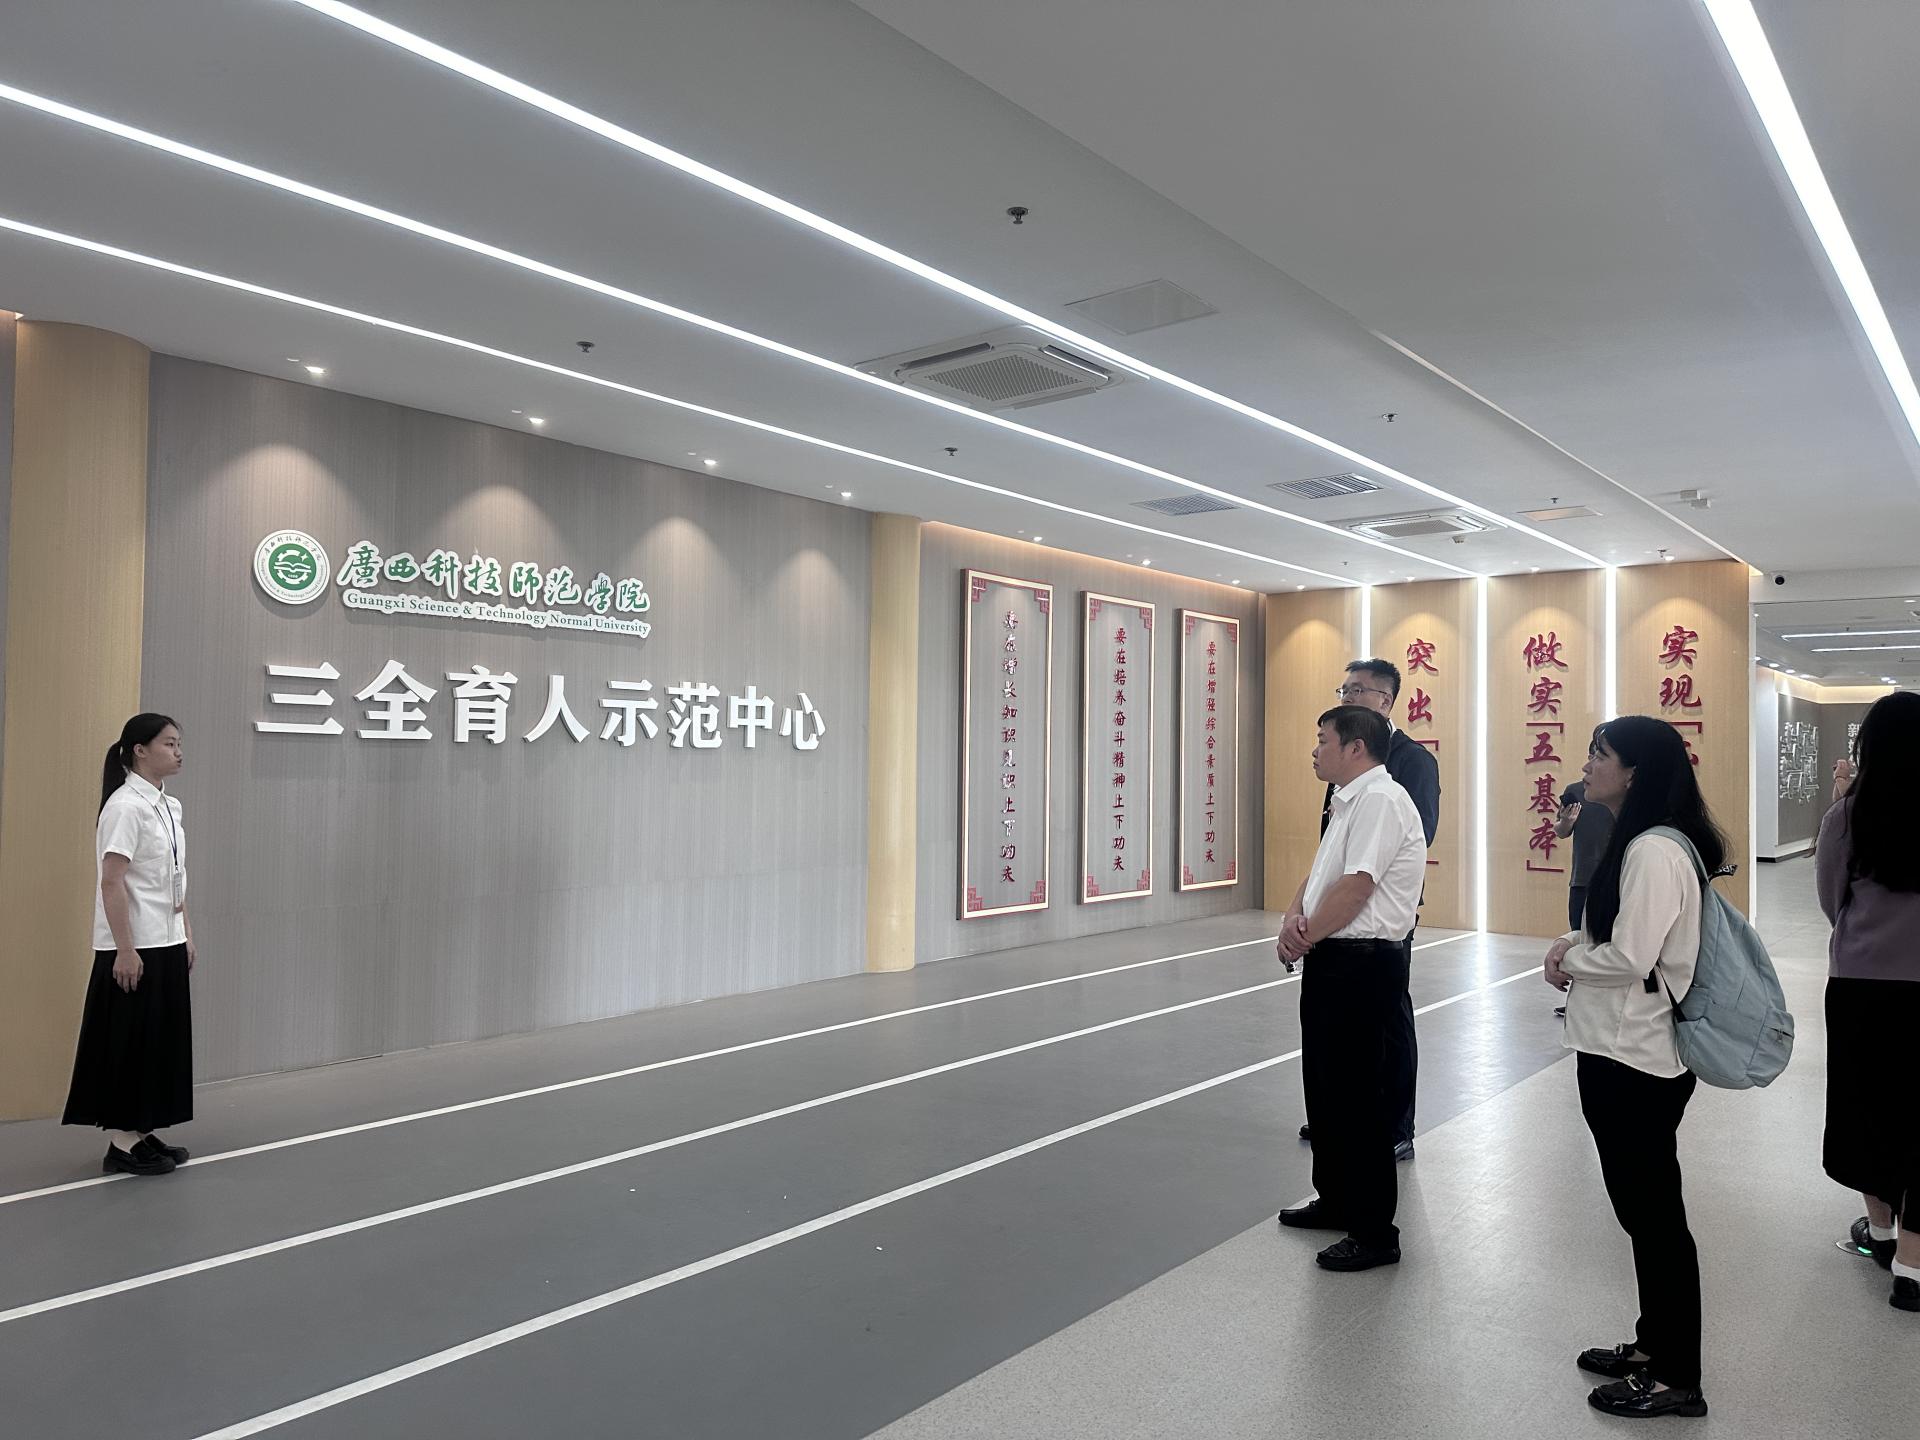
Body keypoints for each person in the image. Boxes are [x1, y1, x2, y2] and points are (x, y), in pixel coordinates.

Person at [1543, 716, 1722, 1419]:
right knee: (1643, 1214)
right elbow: (1615, 932)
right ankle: (1654, 1346)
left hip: (1635, 1058)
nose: (1587, 764)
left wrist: (1570, 959)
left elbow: (1629, 957)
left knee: (1654, 1220)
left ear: (1635, 772)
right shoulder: (1643, 840)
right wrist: (1571, 940)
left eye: (1600, 754)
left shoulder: (1653, 849)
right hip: (1619, 1050)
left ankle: (1677, 1377)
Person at [1276, 705, 1428, 1273]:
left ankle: (1374, 1231)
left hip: (1363, 965)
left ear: (1355, 747)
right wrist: (1294, 918)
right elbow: (1321, 875)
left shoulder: (1381, 800)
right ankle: (1337, 1200)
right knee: (1326, 1089)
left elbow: (1358, 886)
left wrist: (1304, 936)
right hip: (1334, 958)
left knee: (1361, 1098)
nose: (1315, 751)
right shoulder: (1347, 802)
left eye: (1323, 740)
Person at [1300, 659, 1439, 1162]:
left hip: (1377, 920)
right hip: (1338, 918)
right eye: (1345, 689)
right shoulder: (1344, 761)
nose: (1349, 697)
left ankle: (1395, 1123)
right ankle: (1341, 1121)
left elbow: (1410, 840)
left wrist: (1310, 927)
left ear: (1387, 700)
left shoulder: (1407, 763)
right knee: (1339, 1049)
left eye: (1360, 690)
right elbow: (1333, 845)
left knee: (1388, 1024)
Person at [1814, 690, 1920, 1314]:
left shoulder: (1848, 816)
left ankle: (1879, 1233)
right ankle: (1912, 1266)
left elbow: (1832, 900)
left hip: (1861, 986)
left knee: (1866, 1104)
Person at [62, 714, 196, 1176]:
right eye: (169, 744)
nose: (178, 752)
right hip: (134, 946)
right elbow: (112, 881)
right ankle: (121, 1142)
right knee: (130, 1043)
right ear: (140, 750)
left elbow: (173, 876)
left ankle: (141, 1129)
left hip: (167, 940)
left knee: (158, 1043)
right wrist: (124, 949)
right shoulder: (124, 807)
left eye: (178, 744)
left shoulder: (169, 805)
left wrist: (186, 932)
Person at [1555, 728, 1616, 934]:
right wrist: (1567, 821)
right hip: (1582, 878)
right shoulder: (1575, 790)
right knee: (1578, 936)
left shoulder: (1622, 794)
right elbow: (1561, 831)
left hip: (1613, 878)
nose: (1590, 765)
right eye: (1593, 756)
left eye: (1601, 757)